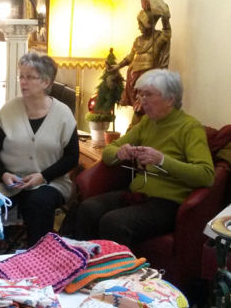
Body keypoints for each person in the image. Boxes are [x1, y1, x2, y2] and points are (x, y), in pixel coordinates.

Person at [74, 69, 214, 246]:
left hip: (168, 203)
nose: (141, 100)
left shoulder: (190, 128)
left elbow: (206, 175)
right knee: (88, 208)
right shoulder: (147, 122)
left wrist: (162, 160)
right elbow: (109, 152)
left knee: (114, 222)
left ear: (170, 99)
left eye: (148, 95)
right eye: (140, 95)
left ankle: (115, 264)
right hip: (138, 195)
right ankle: (77, 259)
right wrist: (119, 152)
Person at [0, 51, 79, 247]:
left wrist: (43, 177)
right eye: (21, 76)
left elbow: (72, 157)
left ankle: (38, 256)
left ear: (46, 82)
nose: (23, 82)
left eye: (30, 77)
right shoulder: (9, 110)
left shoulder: (63, 115)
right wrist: (3, 174)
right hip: (5, 180)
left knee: (39, 202)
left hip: (49, 181)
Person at [116, 0, 172, 124]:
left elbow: (167, 33)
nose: (139, 27)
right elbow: (130, 57)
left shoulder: (156, 40)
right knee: (140, 109)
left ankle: (136, 129)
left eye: (141, 24)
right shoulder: (138, 41)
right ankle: (138, 129)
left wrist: (165, 18)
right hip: (133, 80)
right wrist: (117, 66)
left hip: (147, 81)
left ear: (149, 25)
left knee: (142, 108)